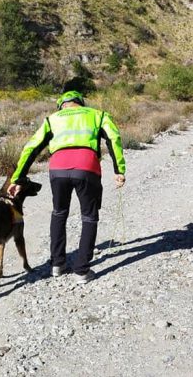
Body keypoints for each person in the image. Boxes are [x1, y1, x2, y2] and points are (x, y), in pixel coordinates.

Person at [7, 90, 126, 284]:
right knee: (89, 216)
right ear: (80, 102)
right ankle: (81, 270)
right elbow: (114, 139)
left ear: (61, 105)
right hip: (87, 168)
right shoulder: (98, 115)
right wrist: (119, 169)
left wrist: (17, 178)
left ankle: (57, 264)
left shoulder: (52, 119)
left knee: (59, 213)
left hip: (58, 170)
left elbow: (31, 147)